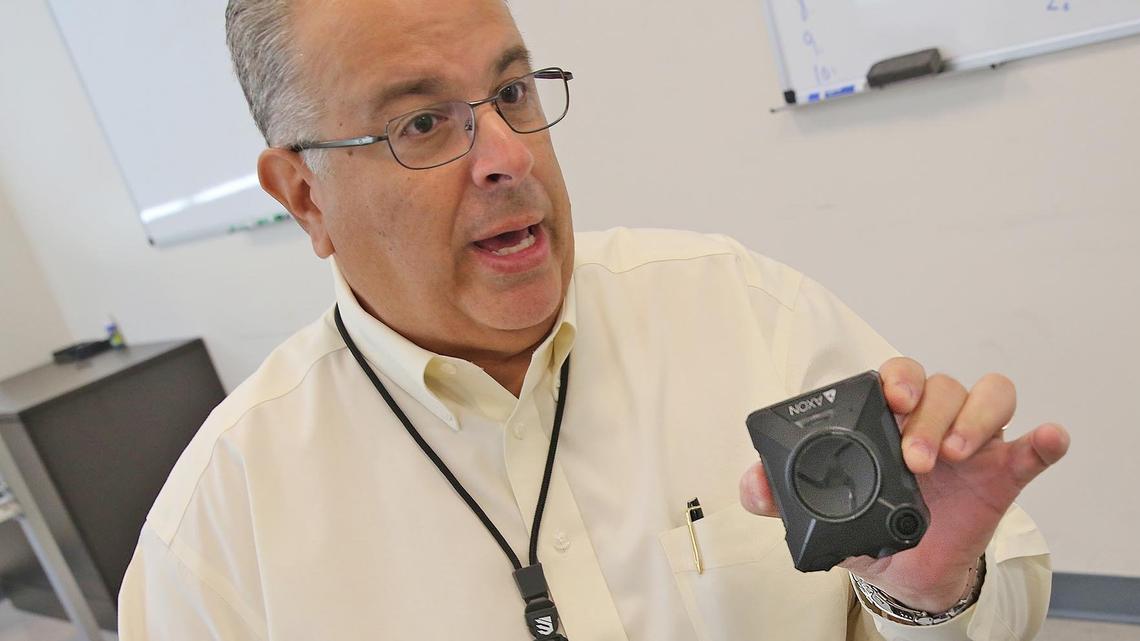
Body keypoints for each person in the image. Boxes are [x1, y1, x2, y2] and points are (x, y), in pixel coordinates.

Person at [117, 0, 1070, 639]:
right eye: (422, 125)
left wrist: (929, 593)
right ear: (304, 197)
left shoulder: (739, 308)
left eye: (513, 93)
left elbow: (1010, 595)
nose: (506, 156)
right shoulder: (217, 534)